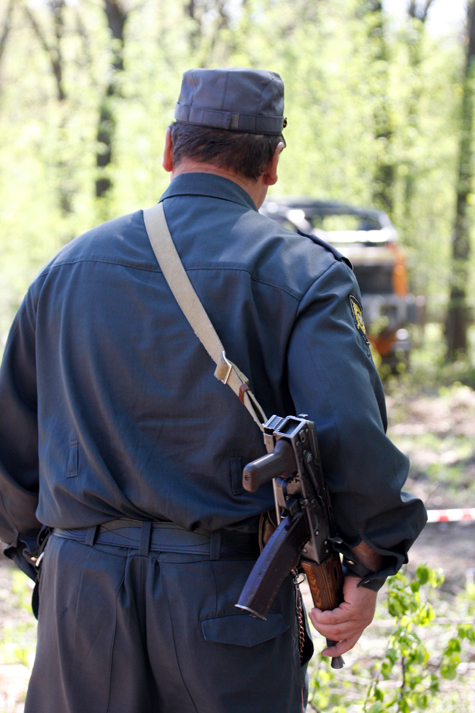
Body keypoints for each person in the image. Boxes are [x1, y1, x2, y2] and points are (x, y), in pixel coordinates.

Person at [0, 67, 426, 713]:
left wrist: (46, 559)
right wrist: (367, 565)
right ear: (273, 161)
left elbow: (12, 440)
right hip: (227, 594)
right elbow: (347, 435)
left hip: (79, 595)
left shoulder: (65, 268)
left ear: (170, 150)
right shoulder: (302, 271)